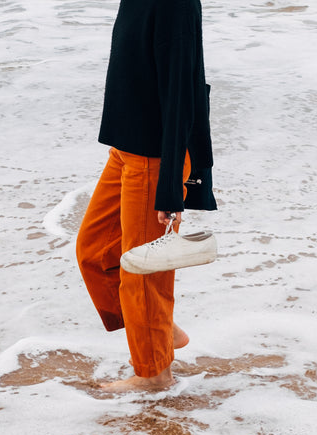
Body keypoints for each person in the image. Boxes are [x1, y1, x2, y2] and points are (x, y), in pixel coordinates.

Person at [76, 0, 216, 393]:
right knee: (94, 251)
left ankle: (154, 374)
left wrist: (172, 185)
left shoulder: (175, 5)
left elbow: (181, 92)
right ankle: (157, 328)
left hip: (155, 157)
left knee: (141, 272)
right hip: (125, 148)